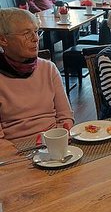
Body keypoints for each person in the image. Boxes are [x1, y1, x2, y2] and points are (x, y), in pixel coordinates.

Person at [0, 8, 74, 141]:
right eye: (26, 33)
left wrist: (59, 141)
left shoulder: (48, 68)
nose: (35, 38)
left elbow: (65, 116)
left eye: (36, 31)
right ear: (3, 40)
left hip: (54, 142)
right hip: (14, 150)